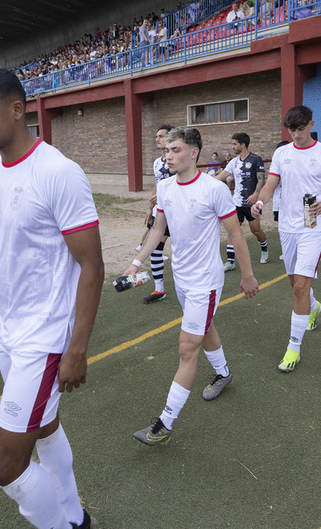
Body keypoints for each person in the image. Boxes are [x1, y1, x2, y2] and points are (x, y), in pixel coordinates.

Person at [0, 69, 102, 529]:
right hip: (10, 334)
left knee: (4, 466)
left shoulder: (58, 173)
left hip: (46, 338)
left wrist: (77, 349)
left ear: (17, 109)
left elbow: (92, 266)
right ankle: (75, 518)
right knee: (47, 429)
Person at [129, 126, 259, 446]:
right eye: (166, 150)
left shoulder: (214, 189)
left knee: (187, 347)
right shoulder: (166, 187)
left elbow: (235, 234)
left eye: (175, 150)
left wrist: (247, 276)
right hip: (182, 277)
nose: (168, 156)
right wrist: (135, 263)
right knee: (205, 326)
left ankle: (164, 423)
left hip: (206, 280)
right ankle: (224, 373)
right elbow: (159, 230)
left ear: (194, 153)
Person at [251, 105, 321, 373]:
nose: (296, 134)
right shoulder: (282, 152)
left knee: (300, 288)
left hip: (313, 227)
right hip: (288, 227)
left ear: (311, 124)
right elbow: (271, 184)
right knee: (295, 284)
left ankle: (294, 347)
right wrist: (260, 201)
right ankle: (314, 308)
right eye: (291, 129)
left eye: (301, 129)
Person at [213, 133, 269, 268]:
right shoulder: (233, 162)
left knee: (256, 231)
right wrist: (200, 180)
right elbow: (220, 177)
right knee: (232, 231)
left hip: (252, 204)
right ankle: (230, 262)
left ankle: (265, 250)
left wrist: (256, 194)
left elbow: (261, 179)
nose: (232, 147)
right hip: (236, 203)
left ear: (242, 145)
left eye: (234, 144)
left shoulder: (256, 159)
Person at [139, 124, 174, 304]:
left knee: (180, 252)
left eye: (161, 136)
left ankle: (189, 285)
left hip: (177, 213)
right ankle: (159, 289)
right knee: (155, 250)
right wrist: (149, 207)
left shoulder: (176, 160)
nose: (157, 139)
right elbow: (157, 184)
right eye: (156, 136)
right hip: (160, 213)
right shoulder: (156, 162)